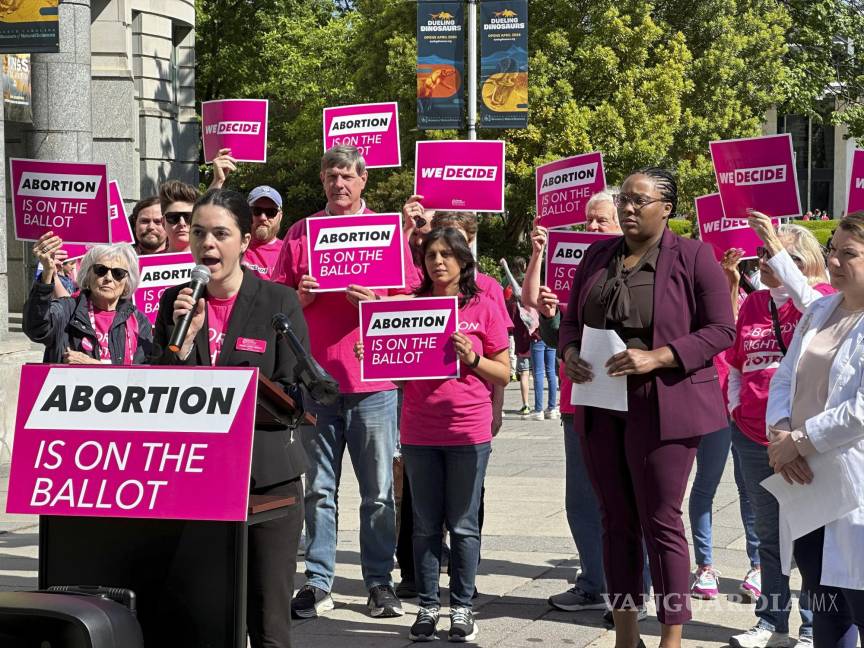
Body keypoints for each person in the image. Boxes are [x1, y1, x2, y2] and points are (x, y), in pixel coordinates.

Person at [559, 168, 735, 648]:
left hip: (664, 405)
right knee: (614, 520)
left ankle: (672, 636)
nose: (628, 208)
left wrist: (658, 356)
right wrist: (571, 353)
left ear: (667, 208)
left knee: (661, 521)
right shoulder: (597, 254)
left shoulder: (695, 256)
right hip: (600, 403)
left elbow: (722, 329)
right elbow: (571, 320)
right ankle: (625, 632)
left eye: (640, 201)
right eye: (624, 200)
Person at [153, 188, 309, 648]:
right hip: (197, 479)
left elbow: (296, 395)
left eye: (221, 233)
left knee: (268, 625)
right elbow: (163, 393)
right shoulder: (174, 303)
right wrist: (185, 345)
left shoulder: (279, 302)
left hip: (267, 481)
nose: (207, 244)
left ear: (244, 241)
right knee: (204, 617)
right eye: (199, 233)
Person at [273, 145, 418, 620]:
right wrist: (300, 297)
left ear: (363, 180)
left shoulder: (388, 233)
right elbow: (277, 307)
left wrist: (375, 299)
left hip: (374, 383)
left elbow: (411, 305)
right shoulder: (300, 234)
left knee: (378, 491)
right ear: (322, 181)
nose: (338, 184)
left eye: (346, 176)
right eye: (330, 176)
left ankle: (379, 582)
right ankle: (318, 581)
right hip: (316, 383)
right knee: (318, 489)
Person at [355, 228, 509, 642]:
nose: (437, 261)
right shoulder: (409, 305)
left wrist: (473, 358)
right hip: (421, 431)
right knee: (423, 525)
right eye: (430, 255)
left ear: (464, 260)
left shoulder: (485, 307)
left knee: (462, 525)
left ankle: (461, 606)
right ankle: (427, 606)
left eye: (446, 254)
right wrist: (376, 354)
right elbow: (403, 379)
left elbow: (504, 372)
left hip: (468, 431)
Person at [521, 220, 651, 625]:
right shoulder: (577, 266)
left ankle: (633, 594)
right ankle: (594, 582)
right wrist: (551, 316)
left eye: (602, 218)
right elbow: (553, 333)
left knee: (627, 504)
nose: (593, 225)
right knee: (580, 502)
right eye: (589, 218)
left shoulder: (639, 269)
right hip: (576, 405)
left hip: (623, 404)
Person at [727, 214, 832, 648]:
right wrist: (735, 407)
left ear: (803, 260)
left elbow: (810, 299)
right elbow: (736, 363)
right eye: (762, 253)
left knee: (808, 534)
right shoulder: (754, 303)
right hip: (752, 434)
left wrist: (773, 239)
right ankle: (770, 620)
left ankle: (812, 626)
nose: (765, 259)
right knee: (767, 536)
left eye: (776, 254)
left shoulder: (822, 300)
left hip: (801, 439)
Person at [766, 213, 864, 648]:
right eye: (833, 252)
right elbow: (786, 376)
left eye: (849, 254)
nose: (835, 261)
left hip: (853, 487)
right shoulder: (821, 309)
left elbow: (861, 410)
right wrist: (781, 432)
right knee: (825, 609)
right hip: (806, 482)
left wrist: (799, 442)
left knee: (858, 601)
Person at [24, 233, 152, 365]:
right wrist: (47, 274)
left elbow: (142, 376)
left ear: (127, 282)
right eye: (100, 270)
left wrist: (94, 365)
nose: (108, 278)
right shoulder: (67, 309)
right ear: (88, 275)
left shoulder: (138, 321)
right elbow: (37, 329)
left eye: (118, 273)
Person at [242, 185, 285, 280]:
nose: (263, 217)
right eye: (256, 211)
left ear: (280, 216)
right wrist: (218, 182)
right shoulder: (233, 245)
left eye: (271, 212)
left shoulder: (288, 253)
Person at [159, 179, 199, 253]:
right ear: (163, 223)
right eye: (174, 217)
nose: (182, 223)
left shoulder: (210, 261)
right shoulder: (149, 263)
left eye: (189, 217)